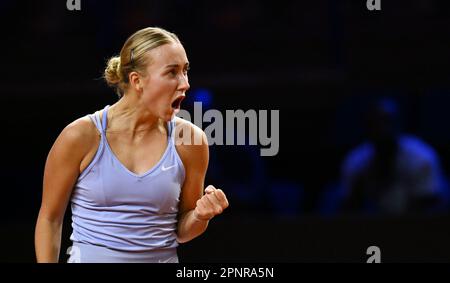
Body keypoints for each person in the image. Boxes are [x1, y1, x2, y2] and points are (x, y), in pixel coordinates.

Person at [34, 27, 229, 263]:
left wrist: (199, 215)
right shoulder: (80, 136)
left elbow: (183, 230)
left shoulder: (191, 141)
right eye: (172, 72)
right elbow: (50, 219)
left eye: (186, 71)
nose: (185, 83)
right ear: (137, 81)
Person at [340, 97, 447, 215]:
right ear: (366, 127)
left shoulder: (421, 157)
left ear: (398, 124)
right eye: (375, 123)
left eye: (387, 121)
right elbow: (348, 208)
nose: (382, 130)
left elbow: (431, 204)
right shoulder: (356, 161)